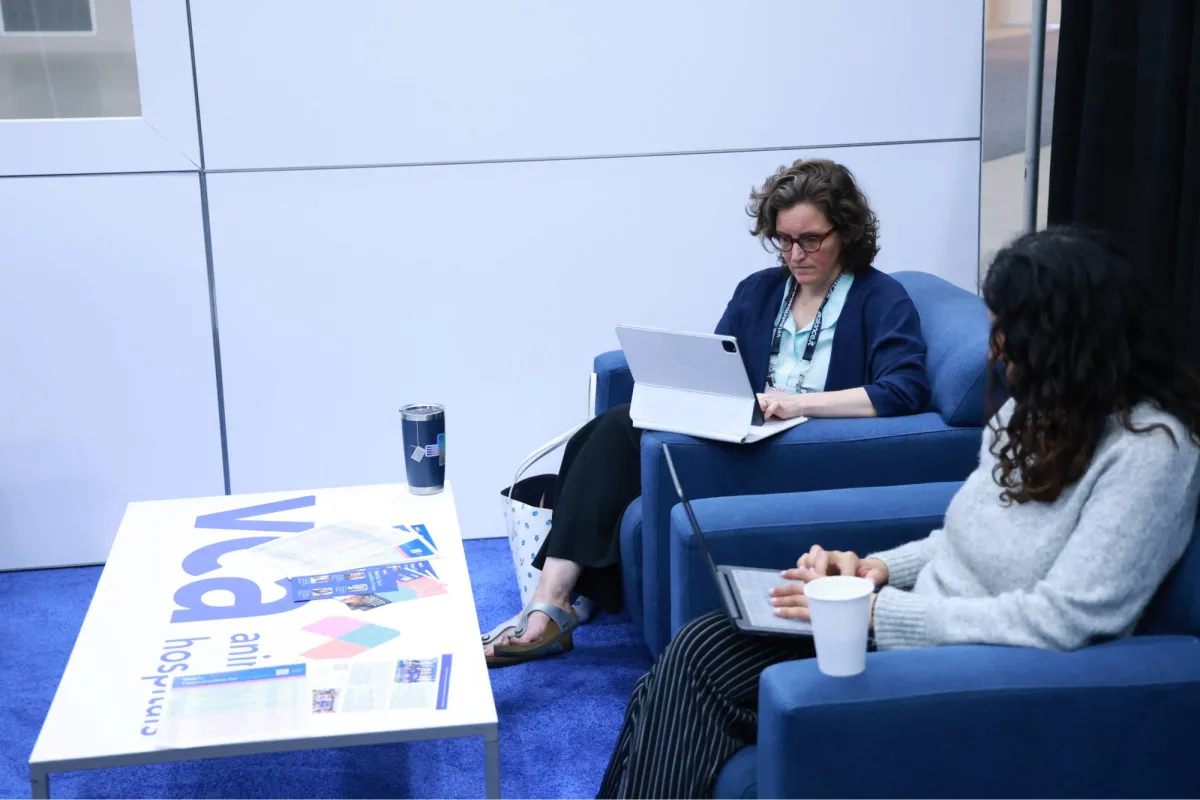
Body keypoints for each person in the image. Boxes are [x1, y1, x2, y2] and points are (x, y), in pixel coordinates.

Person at [595, 227, 1200, 798]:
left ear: (1070, 339)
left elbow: (1065, 621)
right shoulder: (1037, 411)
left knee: (697, 666)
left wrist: (878, 614)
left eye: (1010, 333)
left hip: (973, 661)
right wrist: (873, 569)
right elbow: (962, 537)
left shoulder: (1150, 453)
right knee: (695, 649)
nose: (995, 351)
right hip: (912, 623)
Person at [484, 158, 932, 667]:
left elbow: (903, 391)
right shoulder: (761, 289)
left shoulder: (881, 299)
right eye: (783, 240)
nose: (795, 254)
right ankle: (552, 603)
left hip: (806, 449)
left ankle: (555, 608)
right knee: (606, 431)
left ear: (846, 231)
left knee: (615, 436)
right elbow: (722, 368)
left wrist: (797, 403)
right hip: (745, 434)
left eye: (810, 239)